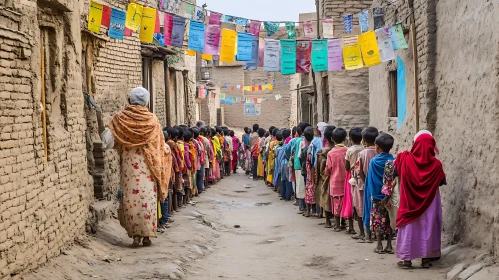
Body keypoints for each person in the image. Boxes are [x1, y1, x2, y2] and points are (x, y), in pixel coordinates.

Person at [97, 87, 172, 246]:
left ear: (130, 100)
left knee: (132, 199)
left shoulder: (120, 119)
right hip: (148, 168)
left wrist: (98, 117)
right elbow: (160, 146)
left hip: (129, 169)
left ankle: (136, 237)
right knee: (146, 199)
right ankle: (146, 236)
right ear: (146, 102)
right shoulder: (152, 121)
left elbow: (107, 141)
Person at [392, 131, 446, 268]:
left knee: (410, 227)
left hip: (409, 201)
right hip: (430, 202)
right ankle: (426, 260)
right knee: (428, 227)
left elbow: (395, 173)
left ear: (415, 144)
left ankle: (407, 260)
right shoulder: (437, 165)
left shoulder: (403, 159)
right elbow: (441, 182)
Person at [365, 133, 395, 254]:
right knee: (390, 219)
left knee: (378, 219)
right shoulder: (394, 161)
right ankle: (389, 245)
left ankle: (379, 245)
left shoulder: (373, 162)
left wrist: (373, 193)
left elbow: (370, 179)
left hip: (376, 195)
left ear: (377, 147)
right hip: (390, 196)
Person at [353, 127, 379, 243]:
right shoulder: (379, 152)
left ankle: (366, 234)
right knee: (376, 209)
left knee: (364, 209)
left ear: (363, 140)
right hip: (378, 186)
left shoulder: (362, 154)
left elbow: (359, 171)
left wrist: (366, 181)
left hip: (365, 186)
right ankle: (376, 234)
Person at [324, 128, 348, 231]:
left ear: (332, 139)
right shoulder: (347, 150)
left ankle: (337, 225)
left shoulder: (331, 153)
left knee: (336, 202)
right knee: (345, 201)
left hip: (334, 181)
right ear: (345, 138)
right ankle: (344, 222)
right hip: (346, 181)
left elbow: (328, 169)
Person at [344, 127, 364, 234]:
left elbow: (346, 167)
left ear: (350, 138)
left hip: (352, 177)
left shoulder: (350, 150)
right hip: (363, 177)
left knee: (351, 201)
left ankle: (351, 227)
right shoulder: (363, 149)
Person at [317, 126, 335, 228]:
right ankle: (341, 221)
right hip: (339, 177)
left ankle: (328, 220)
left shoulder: (323, 151)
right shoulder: (344, 149)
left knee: (326, 196)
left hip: (326, 177)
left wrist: (319, 177)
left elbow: (320, 167)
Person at [305, 124, 323, 217]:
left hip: (313, 168)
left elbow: (310, 157)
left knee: (312, 187)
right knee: (319, 188)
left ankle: (312, 210)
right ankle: (319, 211)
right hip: (321, 167)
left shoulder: (314, 142)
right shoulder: (323, 141)